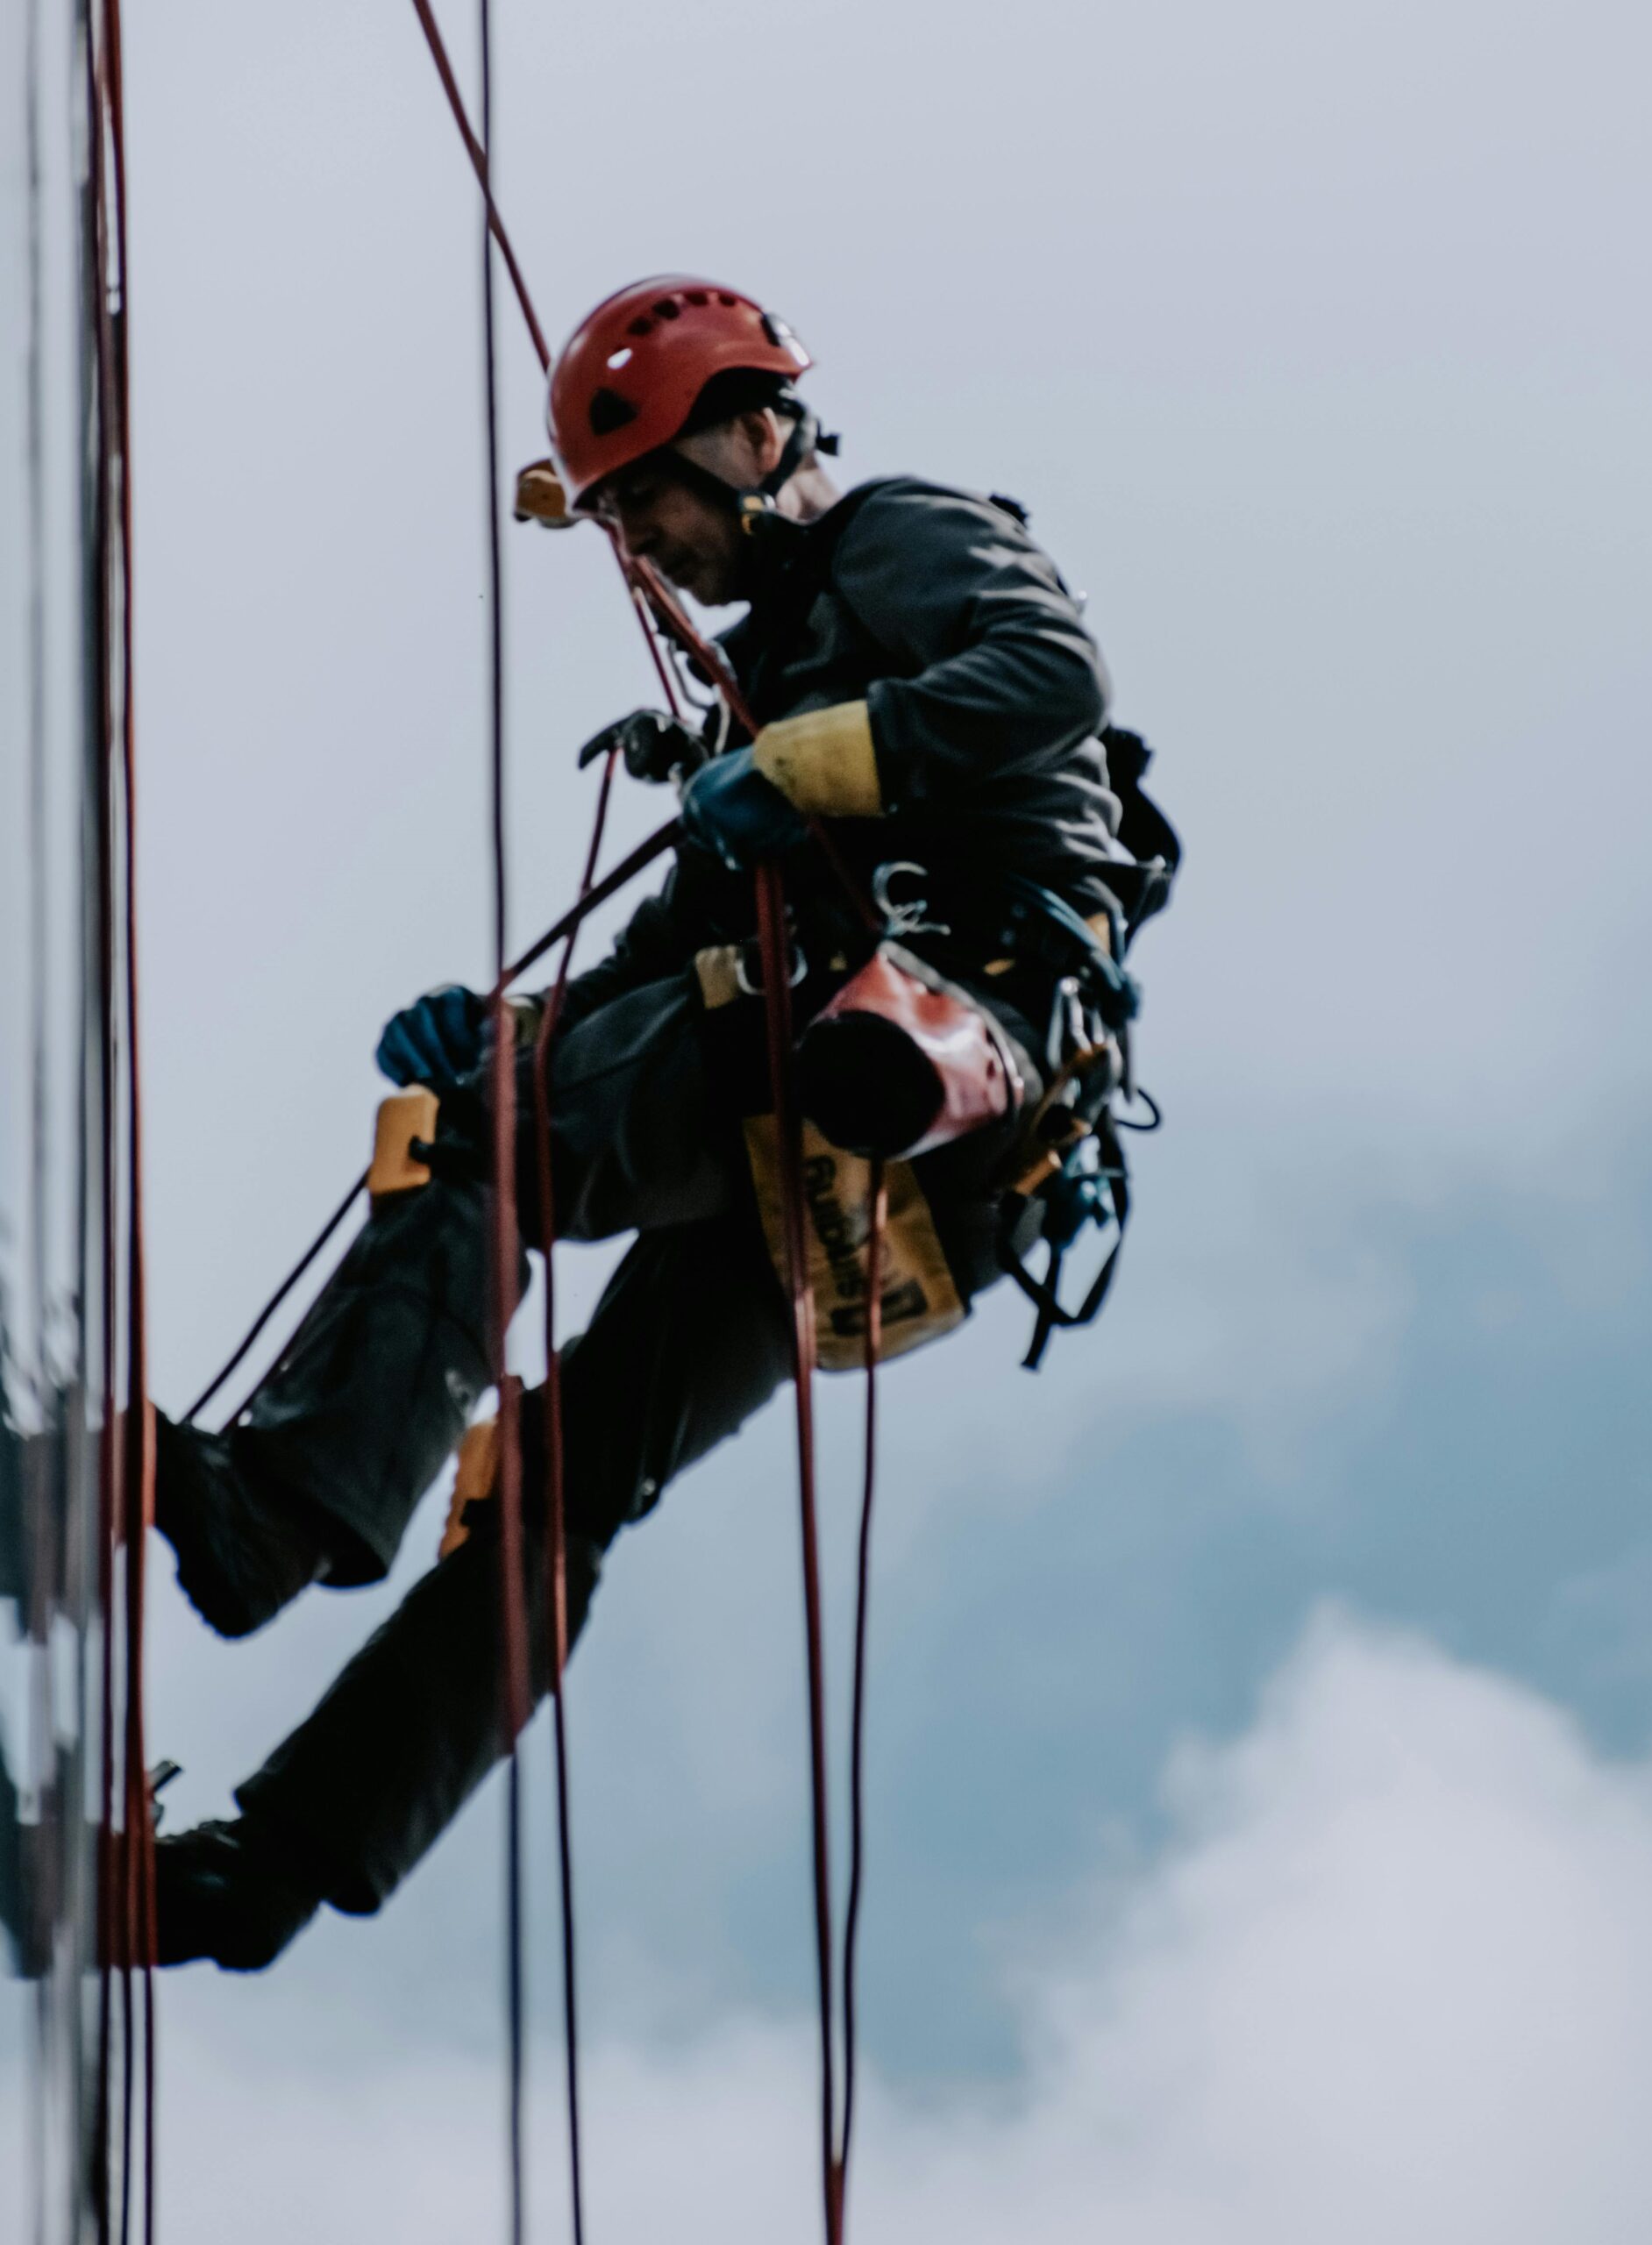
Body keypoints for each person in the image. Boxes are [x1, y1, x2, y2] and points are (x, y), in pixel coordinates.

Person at [152, 276, 1172, 1968]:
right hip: (886, 1165)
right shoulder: (760, 690)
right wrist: (517, 1029)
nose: (648, 546)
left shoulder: (896, 541)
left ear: (758, 433)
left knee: (496, 1143)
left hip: (912, 1045)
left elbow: (1051, 669)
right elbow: (668, 951)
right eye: (621, 521)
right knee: (564, 1478)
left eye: (657, 502)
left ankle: (283, 1501)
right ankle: (266, 1878)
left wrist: (816, 764)